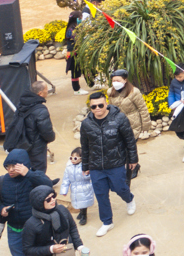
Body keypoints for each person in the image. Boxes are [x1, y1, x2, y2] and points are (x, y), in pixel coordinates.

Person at [78, 92, 137, 237]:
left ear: (106, 104)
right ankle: (107, 222)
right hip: (96, 166)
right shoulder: (86, 124)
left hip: (116, 162)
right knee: (101, 195)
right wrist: (85, 166)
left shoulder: (119, 118)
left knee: (120, 188)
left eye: (100, 105)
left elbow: (129, 140)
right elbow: (84, 147)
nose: (97, 108)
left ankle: (129, 198)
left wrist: (133, 159)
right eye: (93, 106)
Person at [0, 149, 53, 256]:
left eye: (14, 166)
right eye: (8, 166)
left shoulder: (33, 177)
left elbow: (48, 185)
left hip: (34, 229)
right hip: (13, 230)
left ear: (24, 165)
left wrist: (28, 174)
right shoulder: (2, 181)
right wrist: (1, 209)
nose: (10, 170)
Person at [21, 185, 84, 256]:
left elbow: (72, 228)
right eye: (48, 199)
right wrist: (50, 249)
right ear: (39, 203)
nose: (53, 200)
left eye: (53, 196)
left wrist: (79, 246)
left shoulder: (62, 210)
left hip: (67, 252)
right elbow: (27, 250)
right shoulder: (31, 224)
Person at [8, 81, 55, 173]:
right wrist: (52, 137)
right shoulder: (41, 110)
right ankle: (40, 184)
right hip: (36, 146)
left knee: (25, 168)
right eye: (46, 89)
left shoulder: (21, 104)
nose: (48, 91)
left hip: (22, 143)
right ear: (40, 93)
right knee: (38, 170)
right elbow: (46, 131)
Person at [107, 70, 152, 140]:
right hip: (118, 124)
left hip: (133, 125)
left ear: (125, 80)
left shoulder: (134, 92)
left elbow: (143, 109)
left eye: (118, 81)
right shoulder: (110, 92)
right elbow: (110, 108)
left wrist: (145, 127)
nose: (115, 83)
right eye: (113, 81)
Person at [59, 147, 94, 227]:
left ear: (81, 159)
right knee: (77, 201)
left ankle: (84, 215)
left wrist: (87, 174)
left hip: (84, 187)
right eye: (71, 158)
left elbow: (89, 177)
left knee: (84, 202)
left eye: (75, 158)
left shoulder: (85, 166)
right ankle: (81, 213)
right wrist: (64, 190)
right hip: (74, 187)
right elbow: (66, 179)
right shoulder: (69, 167)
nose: (72, 160)